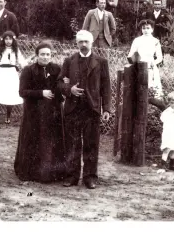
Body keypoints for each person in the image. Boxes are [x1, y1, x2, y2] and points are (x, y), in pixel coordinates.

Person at [57, 30, 112, 189]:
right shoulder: (69, 61)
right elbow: (59, 83)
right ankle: (71, 176)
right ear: (76, 43)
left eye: (86, 42)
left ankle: (90, 177)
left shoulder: (101, 62)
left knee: (91, 144)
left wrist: (106, 108)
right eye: (80, 42)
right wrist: (69, 89)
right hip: (73, 109)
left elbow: (106, 87)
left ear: (91, 42)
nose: (83, 45)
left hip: (92, 109)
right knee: (72, 144)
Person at [14, 42, 68, 183]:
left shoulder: (57, 69)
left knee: (50, 142)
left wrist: (62, 88)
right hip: (34, 113)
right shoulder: (28, 70)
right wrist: (41, 93)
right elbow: (22, 92)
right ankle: (32, 172)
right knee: (34, 140)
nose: (45, 57)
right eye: (42, 54)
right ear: (37, 55)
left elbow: (61, 86)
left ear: (51, 55)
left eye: (48, 54)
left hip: (52, 112)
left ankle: (51, 173)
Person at [0, 31, 27, 124]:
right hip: (1, 72)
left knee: (10, 94)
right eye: (6, 39)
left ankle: (8, 116)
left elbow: (22, 61)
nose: (8, 41)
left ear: (13, 40)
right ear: (3, 40)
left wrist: (26, 66)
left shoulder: (16, 50)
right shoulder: (0, 50)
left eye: (10, 39)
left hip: (11, 73)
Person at [127, 19, 164, 102]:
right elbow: (131, 54)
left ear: (152, 29)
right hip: (139, 65)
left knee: (152, 89)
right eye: (144, 28)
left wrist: (153, 63)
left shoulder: (155, 41)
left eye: (148, 28)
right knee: (139, 89)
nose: (146, 30)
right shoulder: (137, 40)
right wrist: (134, 61)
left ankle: (153, 107)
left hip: (151, 66)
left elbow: (159, 57)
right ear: (141, 29)